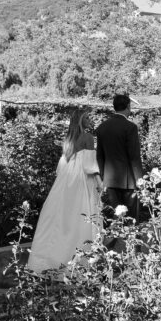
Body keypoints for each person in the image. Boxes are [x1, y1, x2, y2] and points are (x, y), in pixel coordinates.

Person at [27, 108, 103, 273]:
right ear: (81, 120)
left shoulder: (68, 139)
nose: (90, 120)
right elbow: (89, 165)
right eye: (87, 117)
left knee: (62, 217)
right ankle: (82, 264)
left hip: (65, 180)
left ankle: (50, 261)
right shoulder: (88, 137)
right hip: (82, 180)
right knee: (83, 215)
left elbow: (61, 166)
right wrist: (99, 181)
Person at [96, 93, 144, 222]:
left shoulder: (102, 128)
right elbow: (134, 157)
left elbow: (99, 156)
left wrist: (103, 177)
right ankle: (131, 241)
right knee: (131, 219)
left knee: (113, 219)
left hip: (109, 180)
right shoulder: (130, 127)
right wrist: (141, 181)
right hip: (129, 181)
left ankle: (113, 242)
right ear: (128, 106)